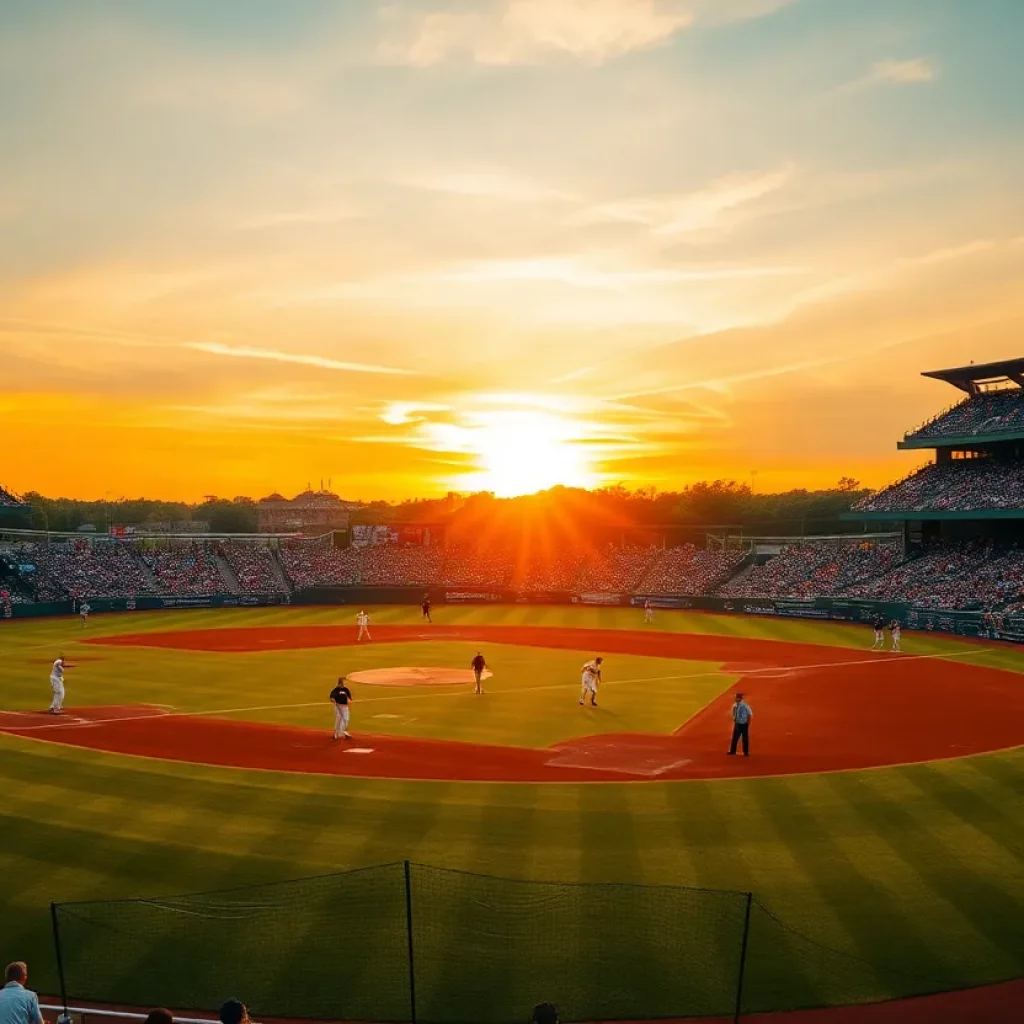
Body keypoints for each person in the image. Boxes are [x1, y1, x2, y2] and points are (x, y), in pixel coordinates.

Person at [330, 677, 353, 741]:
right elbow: (331, 697)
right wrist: (334, 701)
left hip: (345, 707)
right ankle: (336, 734)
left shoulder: (346, 690)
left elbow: (350, 698)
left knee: (346, 719)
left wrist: (349, 701)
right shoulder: (335, 690)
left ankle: (344, 732)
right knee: (338, 720)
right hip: (338, 707)